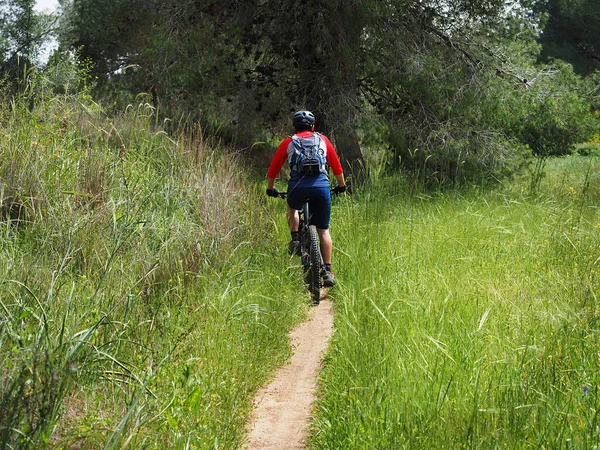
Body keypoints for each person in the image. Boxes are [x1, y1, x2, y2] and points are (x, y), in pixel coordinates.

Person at [266, 110, 346, 287]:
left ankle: (295, 239)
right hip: (321, 188)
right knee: (323, 231)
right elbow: (337, 167)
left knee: (292, 208)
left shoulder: (289, 142)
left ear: (294, 127)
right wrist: (342, 186)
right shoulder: (323, 140)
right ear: (313, 126)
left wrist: (270, 189)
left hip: (297, 188)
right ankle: (327, 270)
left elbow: (273, 170)